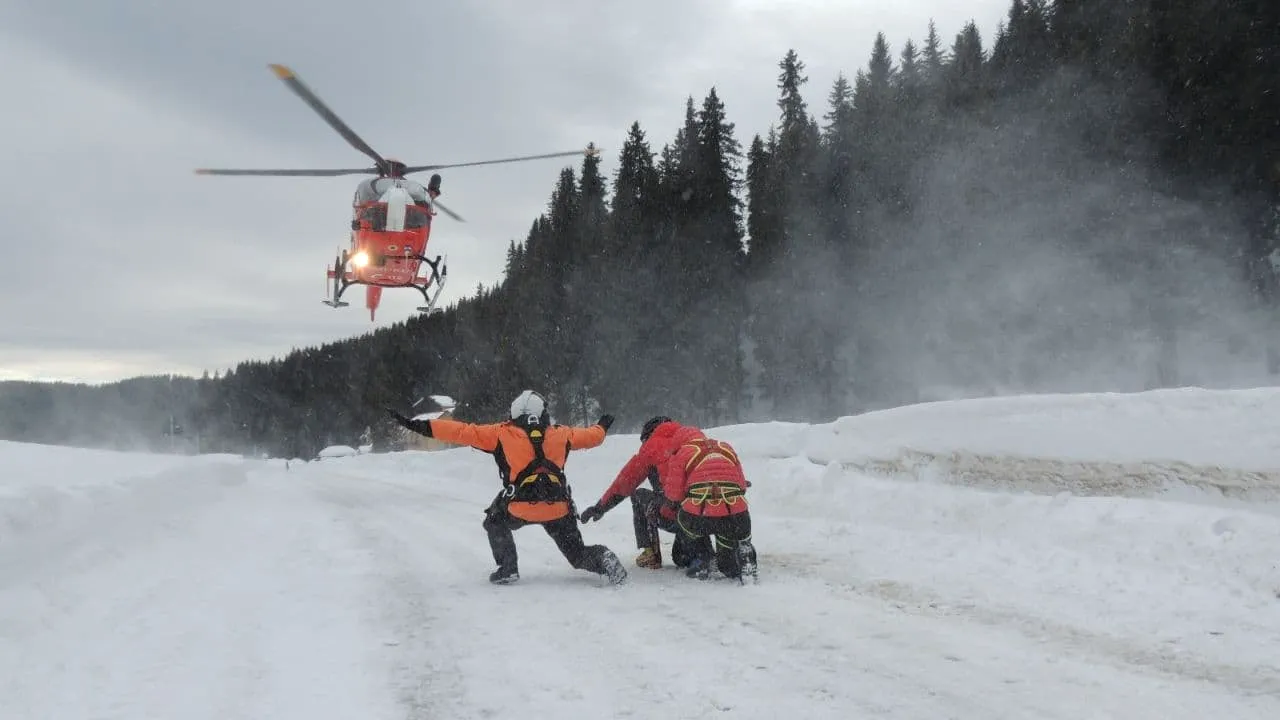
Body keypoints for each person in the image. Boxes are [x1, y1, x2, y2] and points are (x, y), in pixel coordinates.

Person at [388, 390, 627, 586]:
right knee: (577, 555)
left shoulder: (500, 434)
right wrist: (603, 425)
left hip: (519, 506)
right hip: (559, 508)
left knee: (494, 520)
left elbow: (460, 431)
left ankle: (507, 567)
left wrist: (416, 425)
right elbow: (593, 437)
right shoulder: (562, 434)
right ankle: (605, 560)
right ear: (543, 412)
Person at [579, 416, 757, 582]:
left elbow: (625, 483)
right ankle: (729, 556)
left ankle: (654, 554)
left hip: (685, 515)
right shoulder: (701, 441)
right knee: (685, 550)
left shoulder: (652, 447)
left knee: (640, 496)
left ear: (647, 435)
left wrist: (600, 507)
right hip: (726, 511)